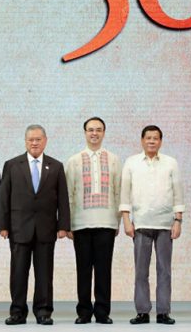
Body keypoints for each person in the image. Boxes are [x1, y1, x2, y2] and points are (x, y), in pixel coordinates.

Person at [0, 124, 70, 326]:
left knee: (44, 274)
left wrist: (63, 225)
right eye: (31, 139)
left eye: (38, 139)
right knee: (18, 272)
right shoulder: (12, 165)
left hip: (46, 228)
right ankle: (17, 312)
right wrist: (2, 225)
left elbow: (62, 198)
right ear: (25, 141)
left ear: (45, 141)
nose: (34, 143)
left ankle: (43, 311)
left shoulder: (56, 166)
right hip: (19, 228)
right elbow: (4, 197)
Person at [121, 125, 184, 325]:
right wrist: (126, 220)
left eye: (155, 138)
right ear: (142, 140)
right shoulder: (131, 163)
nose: (151, 141)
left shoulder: (170, 163)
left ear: (160, 141)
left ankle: (163, 311)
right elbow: (124, 193)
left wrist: (178, 220)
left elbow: (177, 192)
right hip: (140, 223)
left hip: (165, 224)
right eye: (148, 138)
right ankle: (142, 311)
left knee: (164, 269)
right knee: (141, 270)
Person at [65, 117, 121, 324]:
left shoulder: (114, 159)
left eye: (98, 130)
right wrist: (68, 223)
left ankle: (103, 312)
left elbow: (118, 191)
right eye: (90, 130)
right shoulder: (74, 160)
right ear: (85, 133)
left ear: (104, 133)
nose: (94, 133)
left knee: (104, 269)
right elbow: (69, 194)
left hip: (106, 222)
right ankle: (84, 312)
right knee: (83, 269)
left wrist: (117, 222)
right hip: (80, 223)